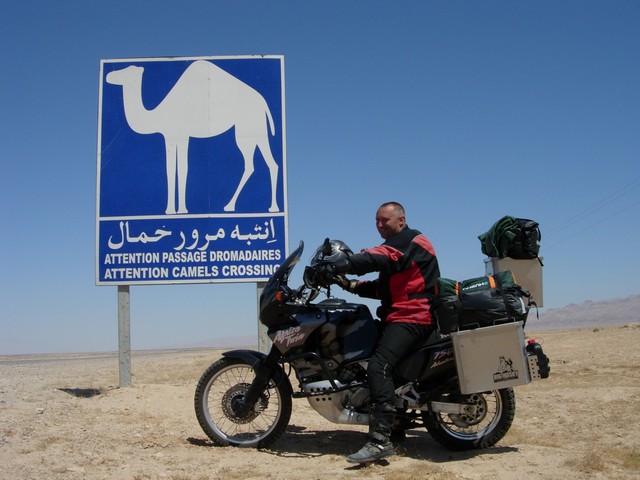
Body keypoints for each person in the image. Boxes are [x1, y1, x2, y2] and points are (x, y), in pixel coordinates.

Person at [318, 202, 440, 463]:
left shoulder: (409, 240)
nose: (380, 225)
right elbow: (382, 289)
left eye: (385, 220)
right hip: (399, 315)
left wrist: (339, 265)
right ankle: (397, 424)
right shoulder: (399, 249)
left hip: (414, 317)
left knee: (379, 367)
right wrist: (348, 284)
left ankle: (379, 441)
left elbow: (374, 258)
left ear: (401, 220)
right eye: (377, 220)